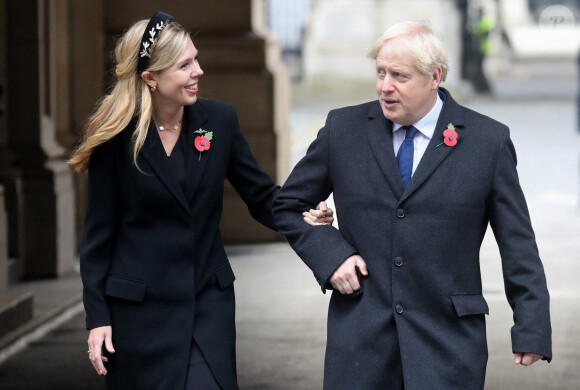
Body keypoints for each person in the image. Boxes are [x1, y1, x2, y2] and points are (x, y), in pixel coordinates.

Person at [273, 21, 552, 390]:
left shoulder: (488, 142)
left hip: (448, 342)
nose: (384, 86)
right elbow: (287, 205)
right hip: (360, 341)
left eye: (399, 76)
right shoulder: (343, 130)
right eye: (380, 72)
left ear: (434, 77)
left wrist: (531, 325)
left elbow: (518, 243)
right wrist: (331, 254)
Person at [68, 11, 333, 390]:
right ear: (151, 79)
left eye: (196, 58)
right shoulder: (115, 142)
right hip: (138, 315)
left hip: (206, 306)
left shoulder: (219, 122)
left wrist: (305, 212)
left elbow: (261, 196)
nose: (199, 71)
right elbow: (98, 240)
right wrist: (97, 318)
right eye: (185, 64)